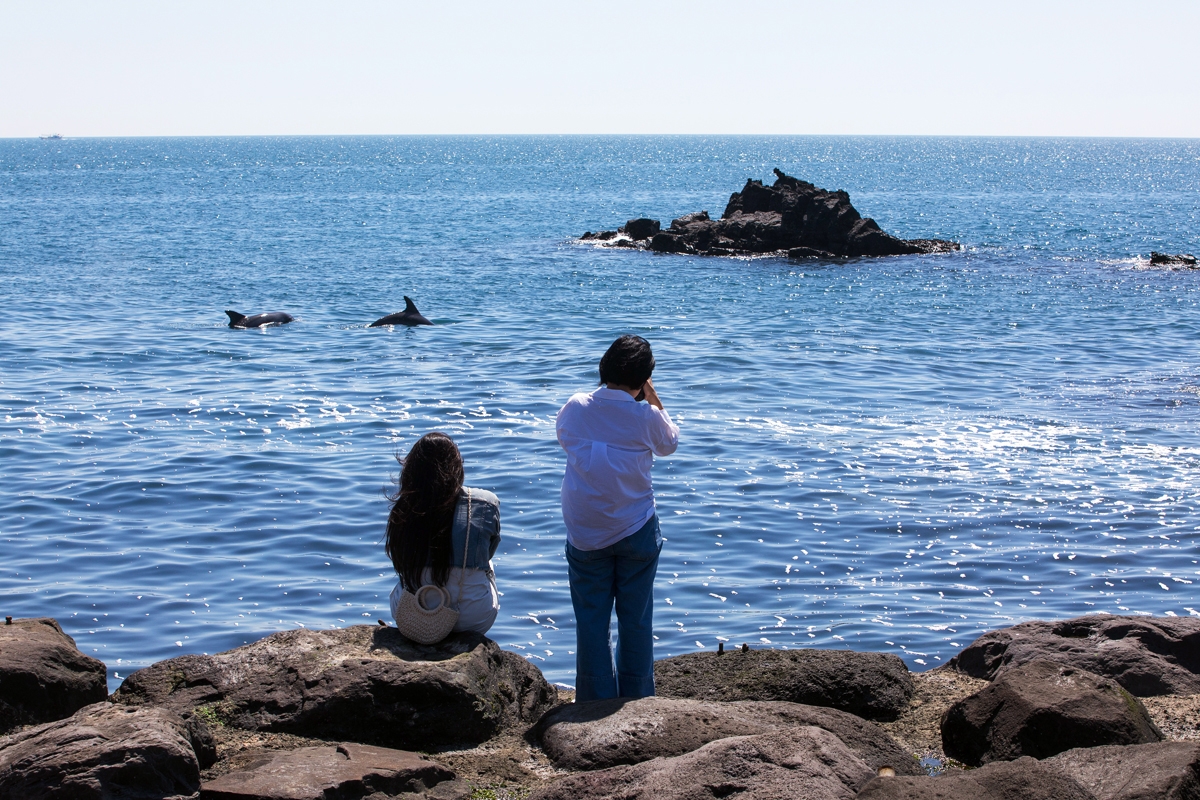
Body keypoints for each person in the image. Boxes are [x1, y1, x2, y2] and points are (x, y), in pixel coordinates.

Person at [556, 334, 680, 700]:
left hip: (586, 532)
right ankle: (638, 701)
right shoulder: (646, 416)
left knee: (591, 623)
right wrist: (652, 397)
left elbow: (566, 438)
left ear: (605, 366)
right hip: (636, 527)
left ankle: (594, 703)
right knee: (636, 621)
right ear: (643, 380)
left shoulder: (576, 407)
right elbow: (670, 443)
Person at [385, 432, 500, 635]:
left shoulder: (403, 509)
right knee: (485, 563)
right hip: (472, 616)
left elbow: (399, 563)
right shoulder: (485, 502)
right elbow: (487, 553)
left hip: (412, 612)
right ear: (456, 467)